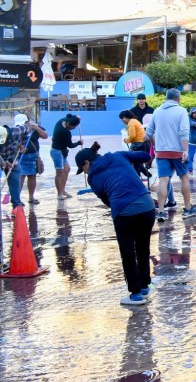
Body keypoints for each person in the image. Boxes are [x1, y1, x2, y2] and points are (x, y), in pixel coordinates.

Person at [74, 142, 156, 306]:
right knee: (142, 247)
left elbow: (107, 200)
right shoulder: (118, 155)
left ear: (87, 163)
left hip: (124, 212)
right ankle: (145, 286)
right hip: (148, 207)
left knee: (128, 253)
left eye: (82, 169)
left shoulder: (93, 177)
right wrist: (131, 162)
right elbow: (146, 156)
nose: (84, 172)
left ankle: (136, 295)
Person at [145, 88, 196, 222]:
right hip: (178, 151)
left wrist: (155, 146)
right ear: (178, 98)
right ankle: (187, 209)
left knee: (163, 180)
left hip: (162, 151)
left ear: (166, 97)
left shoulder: (157, 111)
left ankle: (162, 212)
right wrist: (186, 150)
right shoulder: (181, 111)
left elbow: (148, 133)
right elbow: (184, 132)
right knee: (184, 178)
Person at [2, 117, 45, 207]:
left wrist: (21, 145)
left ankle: (16, 203)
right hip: (6, 157)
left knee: (16, 176)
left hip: (13, 157)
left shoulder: (16, 131)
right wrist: (3, 162)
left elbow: (30, 131)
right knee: (20, 177)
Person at [15, 114, 48, 205]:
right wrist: (19, 147)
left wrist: (36, 128)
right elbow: (12, 142)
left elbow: (45, 136)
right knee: (21, 177)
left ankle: (31, 197)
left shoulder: (34, 127)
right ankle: (17, 199)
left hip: (33, 156)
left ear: (27, 121)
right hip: (21, 156)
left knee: (32, 176)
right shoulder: (16, 130)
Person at [49, 113, 82, 199]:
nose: (73, 129)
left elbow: (69, 115)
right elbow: (70, 145)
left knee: (67, 169)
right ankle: (59, 193)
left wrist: (77, 118)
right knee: (59, 172)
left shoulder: (62, 121)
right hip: (57, 152)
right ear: (69, 124)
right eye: (73, 127)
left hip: (62, 151)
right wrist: (79, 143)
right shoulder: (65, 132)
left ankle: (62, 190)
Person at [120, 110, 151, 180]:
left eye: (121, 120)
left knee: (135, 161)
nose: (122, 121)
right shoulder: (135, 121)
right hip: (143, 144)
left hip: (138, 145)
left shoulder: (131, 123)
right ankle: (147, 174)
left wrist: (126, 140)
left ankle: (137, 178)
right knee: (137, 161)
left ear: (124, 118)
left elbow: (132, 136)